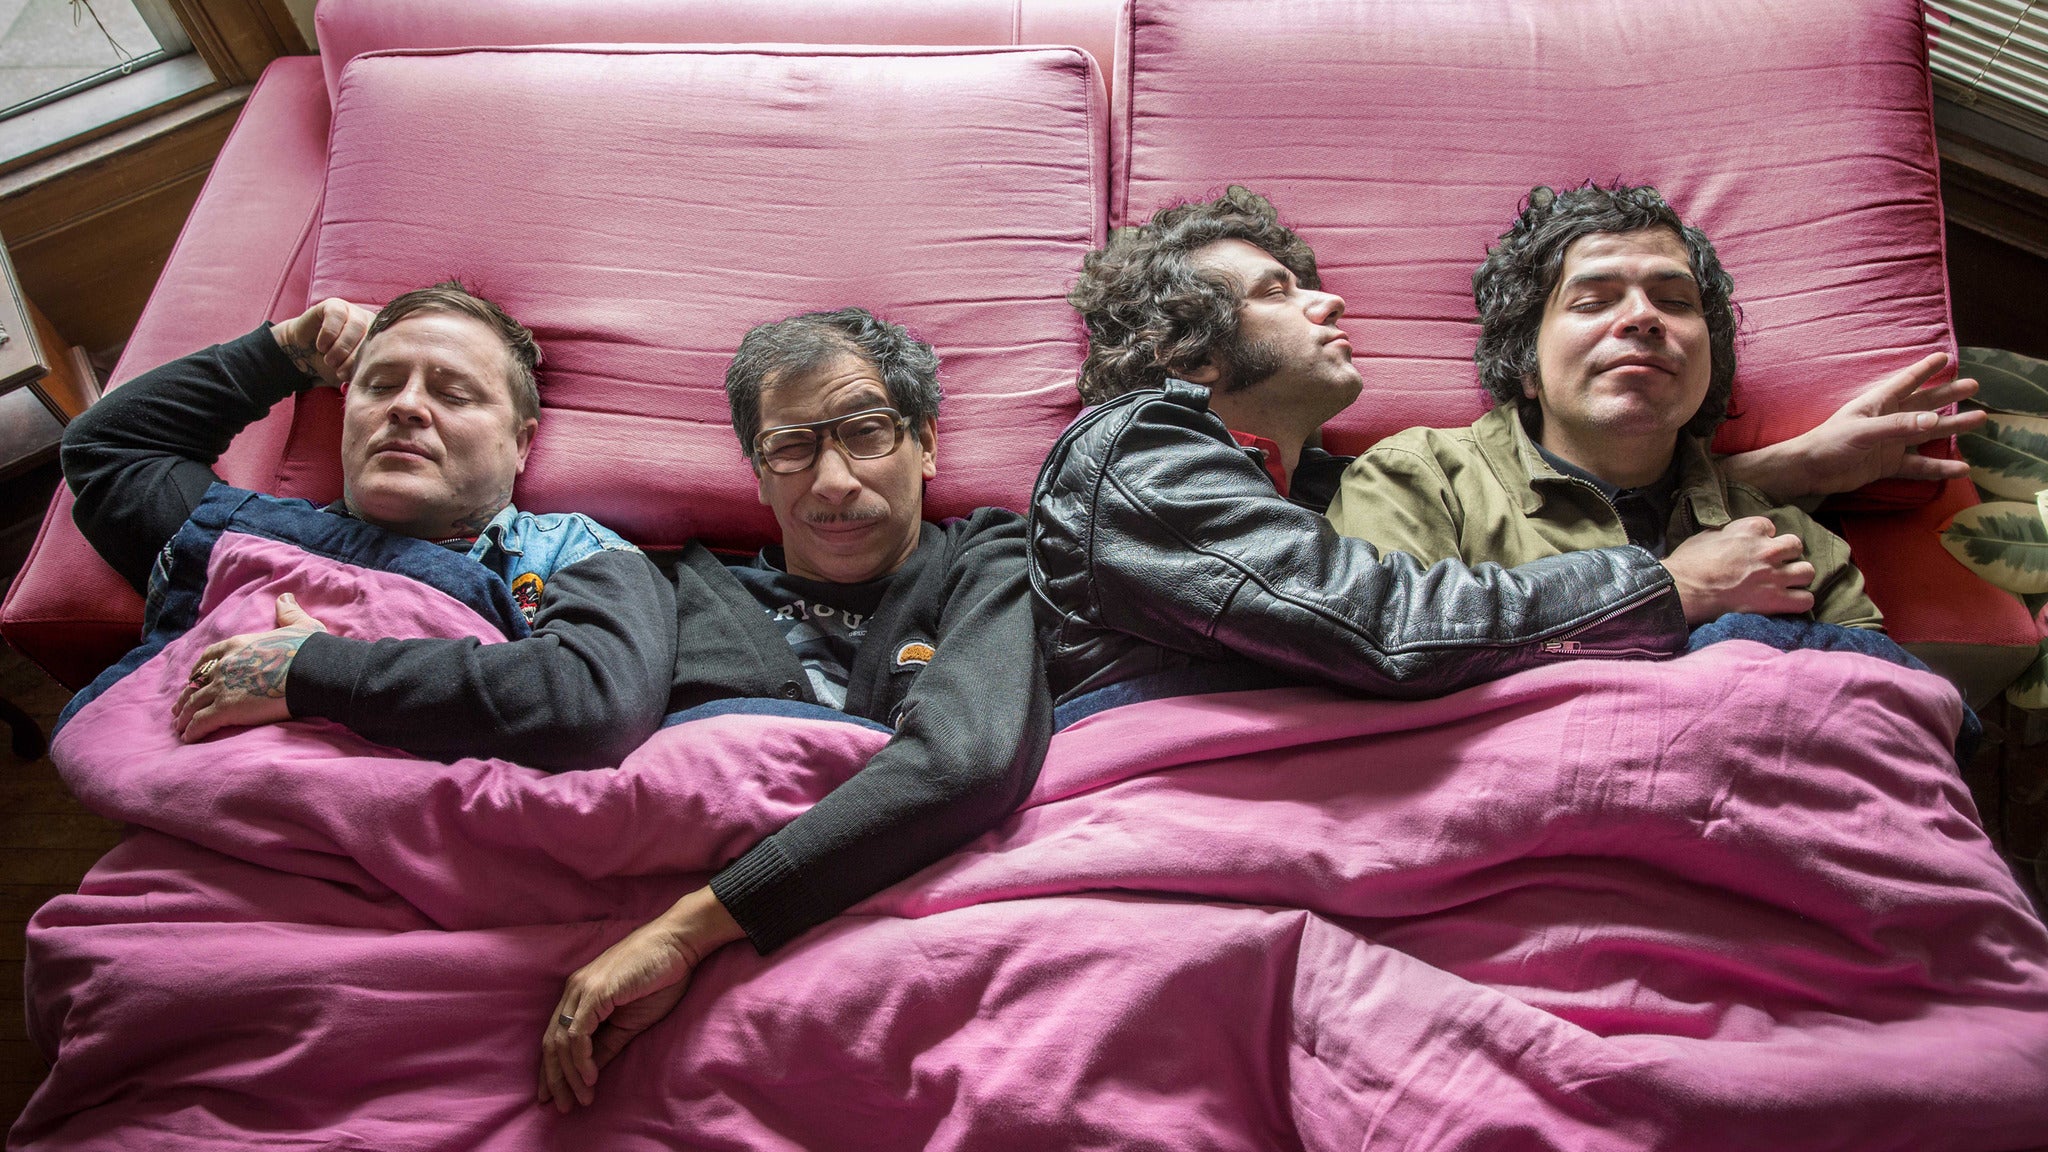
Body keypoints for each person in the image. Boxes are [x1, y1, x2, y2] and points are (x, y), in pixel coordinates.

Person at [1032, 187, 1980, 706]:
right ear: (1187, 353)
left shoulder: (1307, 489)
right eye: (1277, 291)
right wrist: (1674, 590)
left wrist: (1773, 472)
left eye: (1674, 301)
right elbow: (1384, 626)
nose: (1331, 300)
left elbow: (1892, 715)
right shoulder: (1139, 449)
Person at [537, 307, 1049, 1112]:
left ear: (926, 444)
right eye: (791, 447)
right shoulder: (670, 594)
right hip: (663, 1016)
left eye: (867, 433)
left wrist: (688, 930)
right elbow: (557, 731)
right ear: (758, 472)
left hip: (910, 980)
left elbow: (968, 761)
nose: (833, 480)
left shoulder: (989, 561)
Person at [62, 282, 675, 770]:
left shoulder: (570, 552)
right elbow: (107, 448)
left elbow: (597, 703)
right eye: (380, 386)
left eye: (454, 394)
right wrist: (284, 354)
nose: (405, 406)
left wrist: (309, 671)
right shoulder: (252, 532)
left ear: (521, 443)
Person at [1327, 183, 1882, 630]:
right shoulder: (1417, 480)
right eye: (1593, 301)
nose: (1643, 318)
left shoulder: (1788, 539)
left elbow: (1880, 710)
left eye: (1675, 301)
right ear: (1526, 363)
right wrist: (1671, 589)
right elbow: (1380, 644)